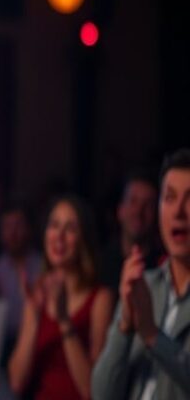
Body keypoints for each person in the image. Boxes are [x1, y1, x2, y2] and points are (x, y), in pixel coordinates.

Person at [91, 149, 190, 400]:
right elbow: (102, 393)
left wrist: (152, 335)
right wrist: (124, 325)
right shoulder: (145, 283)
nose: (179, 211)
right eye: (169, 198)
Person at [8, 195, 113, 400]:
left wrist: (64, 321)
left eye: (70, 228)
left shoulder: (101, 298)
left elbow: (92, 390)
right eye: (54, 225)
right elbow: (16, 383)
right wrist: (34, 315)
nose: (59, 236)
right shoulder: (38, 293)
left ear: (84, 238)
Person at [0, 205, 42, 363]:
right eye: (7, 226)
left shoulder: (43, 267)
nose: (12, 233)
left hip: (36, 347)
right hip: (0, 349)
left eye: (18, 225)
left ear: (29, 228)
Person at [100, 172, 161, 293]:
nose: (139, 212)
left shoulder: (162, 268)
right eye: (133, 201)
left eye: (148, 205)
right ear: (120, 210)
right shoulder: (100, 264)